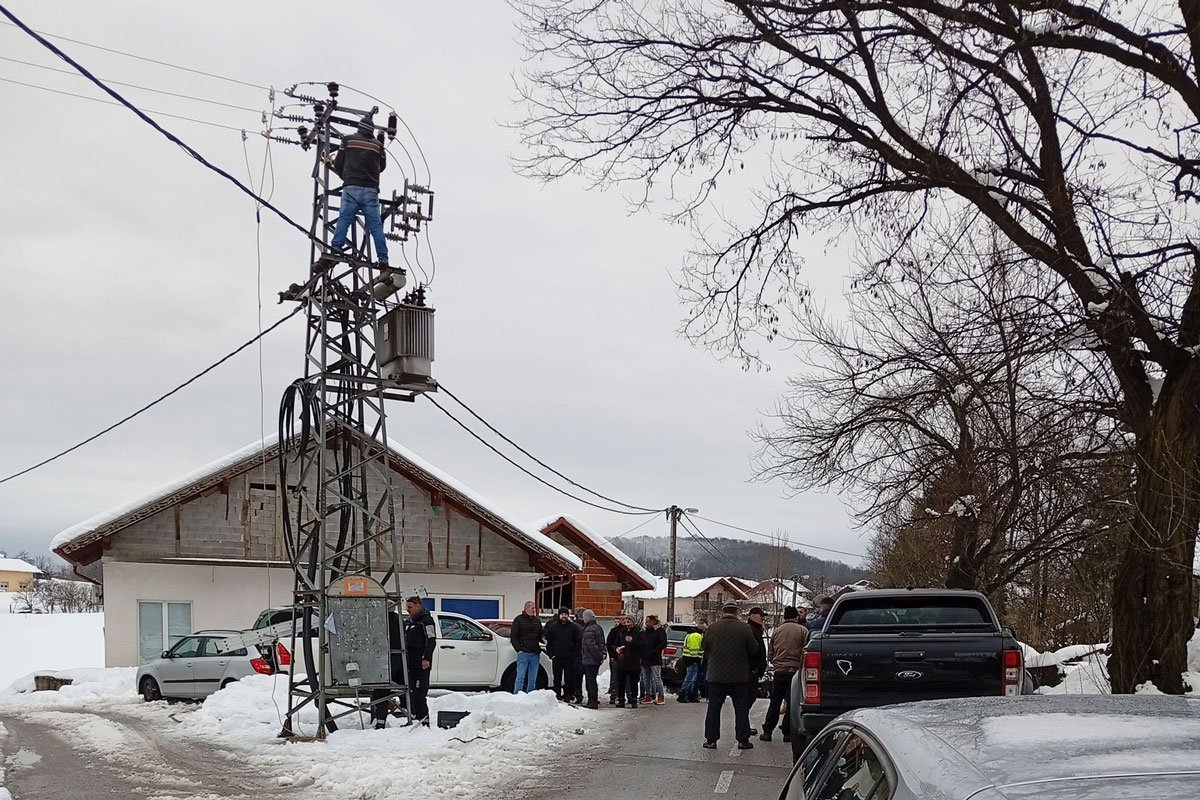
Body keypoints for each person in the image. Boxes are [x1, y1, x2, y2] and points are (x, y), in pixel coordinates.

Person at [326, 116, 389, 267]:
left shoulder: (348, 140)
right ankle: (383, 258)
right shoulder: (378, 146)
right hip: (371, 190)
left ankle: (336, 249)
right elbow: (382, 167)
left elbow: (338, 164)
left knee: (344, 219)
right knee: (376, 226)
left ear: (359, 128)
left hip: (351, 187)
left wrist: (345, 177)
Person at [701, 602, 758, 750]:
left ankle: (711, 740)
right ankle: (743, 740)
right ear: (736, 612)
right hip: (739, 676)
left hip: (716, 676)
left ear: (723, 612)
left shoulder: (712, 628)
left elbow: (704, 647)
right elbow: (754, 649)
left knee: (714, 708)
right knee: (741, 709)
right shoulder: (744, 628)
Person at [761, 605, 809, 742]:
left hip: (780, 671)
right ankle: (787, 732)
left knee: (775, 702)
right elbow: (806, 651)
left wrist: (776, 663)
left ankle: (768, 731)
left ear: (784, 617)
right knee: (792, 703)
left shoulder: (777, 631)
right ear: (796, 617)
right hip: (795, 672)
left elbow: (770, 654)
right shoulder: (803, 631)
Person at [402, 596, 436, 724]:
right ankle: (414, 716)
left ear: (418, 605)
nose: (408, 610)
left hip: (421, 663)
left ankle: (424, 718)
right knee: (411, 691)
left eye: (410, 607)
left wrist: (426, 658)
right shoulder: (409, 622)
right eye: (407, 607)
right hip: (410, 662)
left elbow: (431, 640)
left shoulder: (426, 621)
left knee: (419, 692)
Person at [543, 606, 583, 701]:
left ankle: (567, 694)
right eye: (562, 614)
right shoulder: (553, 627)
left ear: (568, 616)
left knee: (569, 677)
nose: (564, 616)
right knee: (557, 677)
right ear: (559, 615)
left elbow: (578, 642)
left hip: (569, 657)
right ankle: (557, 694)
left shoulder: (573, 627)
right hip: (557, 657)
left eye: (565, 614)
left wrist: (574, 654)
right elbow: (549, 642)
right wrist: (551, 654)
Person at [510, 600, 544, 693]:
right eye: (532, 608)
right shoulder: (518, 620)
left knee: (533, 678)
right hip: (523, 653)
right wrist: (519, 649)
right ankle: (517, 695)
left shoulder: (537, 621)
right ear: (526, 608)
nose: (534, 610)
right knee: (520, 677)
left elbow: (540, 636)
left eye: (534, 608)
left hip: (535, 653)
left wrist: (545, 640)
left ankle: (530, 695)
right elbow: (513, 636)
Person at [746, 607, 769, 735]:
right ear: (752, 616)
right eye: (761, 615)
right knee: (748, 698)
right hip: (750, 670)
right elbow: (753, 651)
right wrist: (754, 667)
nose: (763, 618)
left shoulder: (756, 629)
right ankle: (744, 726)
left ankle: (744, 725)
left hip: (753, 670)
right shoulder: (750, 630)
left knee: (750, 697)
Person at [637, 614, 668, 705]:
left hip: (655, 658)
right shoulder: (644, 632)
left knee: (656, 678)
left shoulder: (659, 631)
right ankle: (648, 696)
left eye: (648, 621)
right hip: (645, 658)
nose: (646, 623)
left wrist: (654, 651)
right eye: (646, 621)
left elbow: (663, 643)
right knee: (645, 678)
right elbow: (640, 642)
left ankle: (661, 696)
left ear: (653, 622)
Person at [613, 615, 643, 708]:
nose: (627, 621)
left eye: (629, 619)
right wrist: (617, 649)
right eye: (626, 619)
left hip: (634, 661)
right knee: (621, 682)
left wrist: (632, 641)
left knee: (633, 682)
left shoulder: (639, 632)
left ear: (633, 621)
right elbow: (615, 643)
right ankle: (621, 700)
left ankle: (634, 700)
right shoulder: (621, 632)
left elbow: (642, 645)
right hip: (622, 661)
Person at [579, 609, 607, 709]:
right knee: (592, 680)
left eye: (584, 617)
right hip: (594, 660)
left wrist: (598, 656)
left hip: (590, 659)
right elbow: (602, 643)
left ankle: (592, 701)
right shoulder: (598, 627)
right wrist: (602, 655)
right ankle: (593, 700)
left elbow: (591, 646)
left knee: (590, 681)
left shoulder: (588, 629)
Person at [677, 619, 707, 703]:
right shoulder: (696, 636)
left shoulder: (692, 634)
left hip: (689, 659)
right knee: (690, 678)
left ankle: (690, 695)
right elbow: (694, 650)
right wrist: (696, 659)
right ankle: (683, 694)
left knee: (692, 678)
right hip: (692, 660)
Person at [606, 615, 627, 704]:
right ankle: (613, 695)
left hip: (626, 659)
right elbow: (609, 644)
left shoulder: (629, 631)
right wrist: (612, 655)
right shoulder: (614, 631)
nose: (624, 621)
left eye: (625, 619)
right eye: (622, 619)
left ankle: (624, 695)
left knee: (626, 678)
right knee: (614, 677)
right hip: (615, 657)